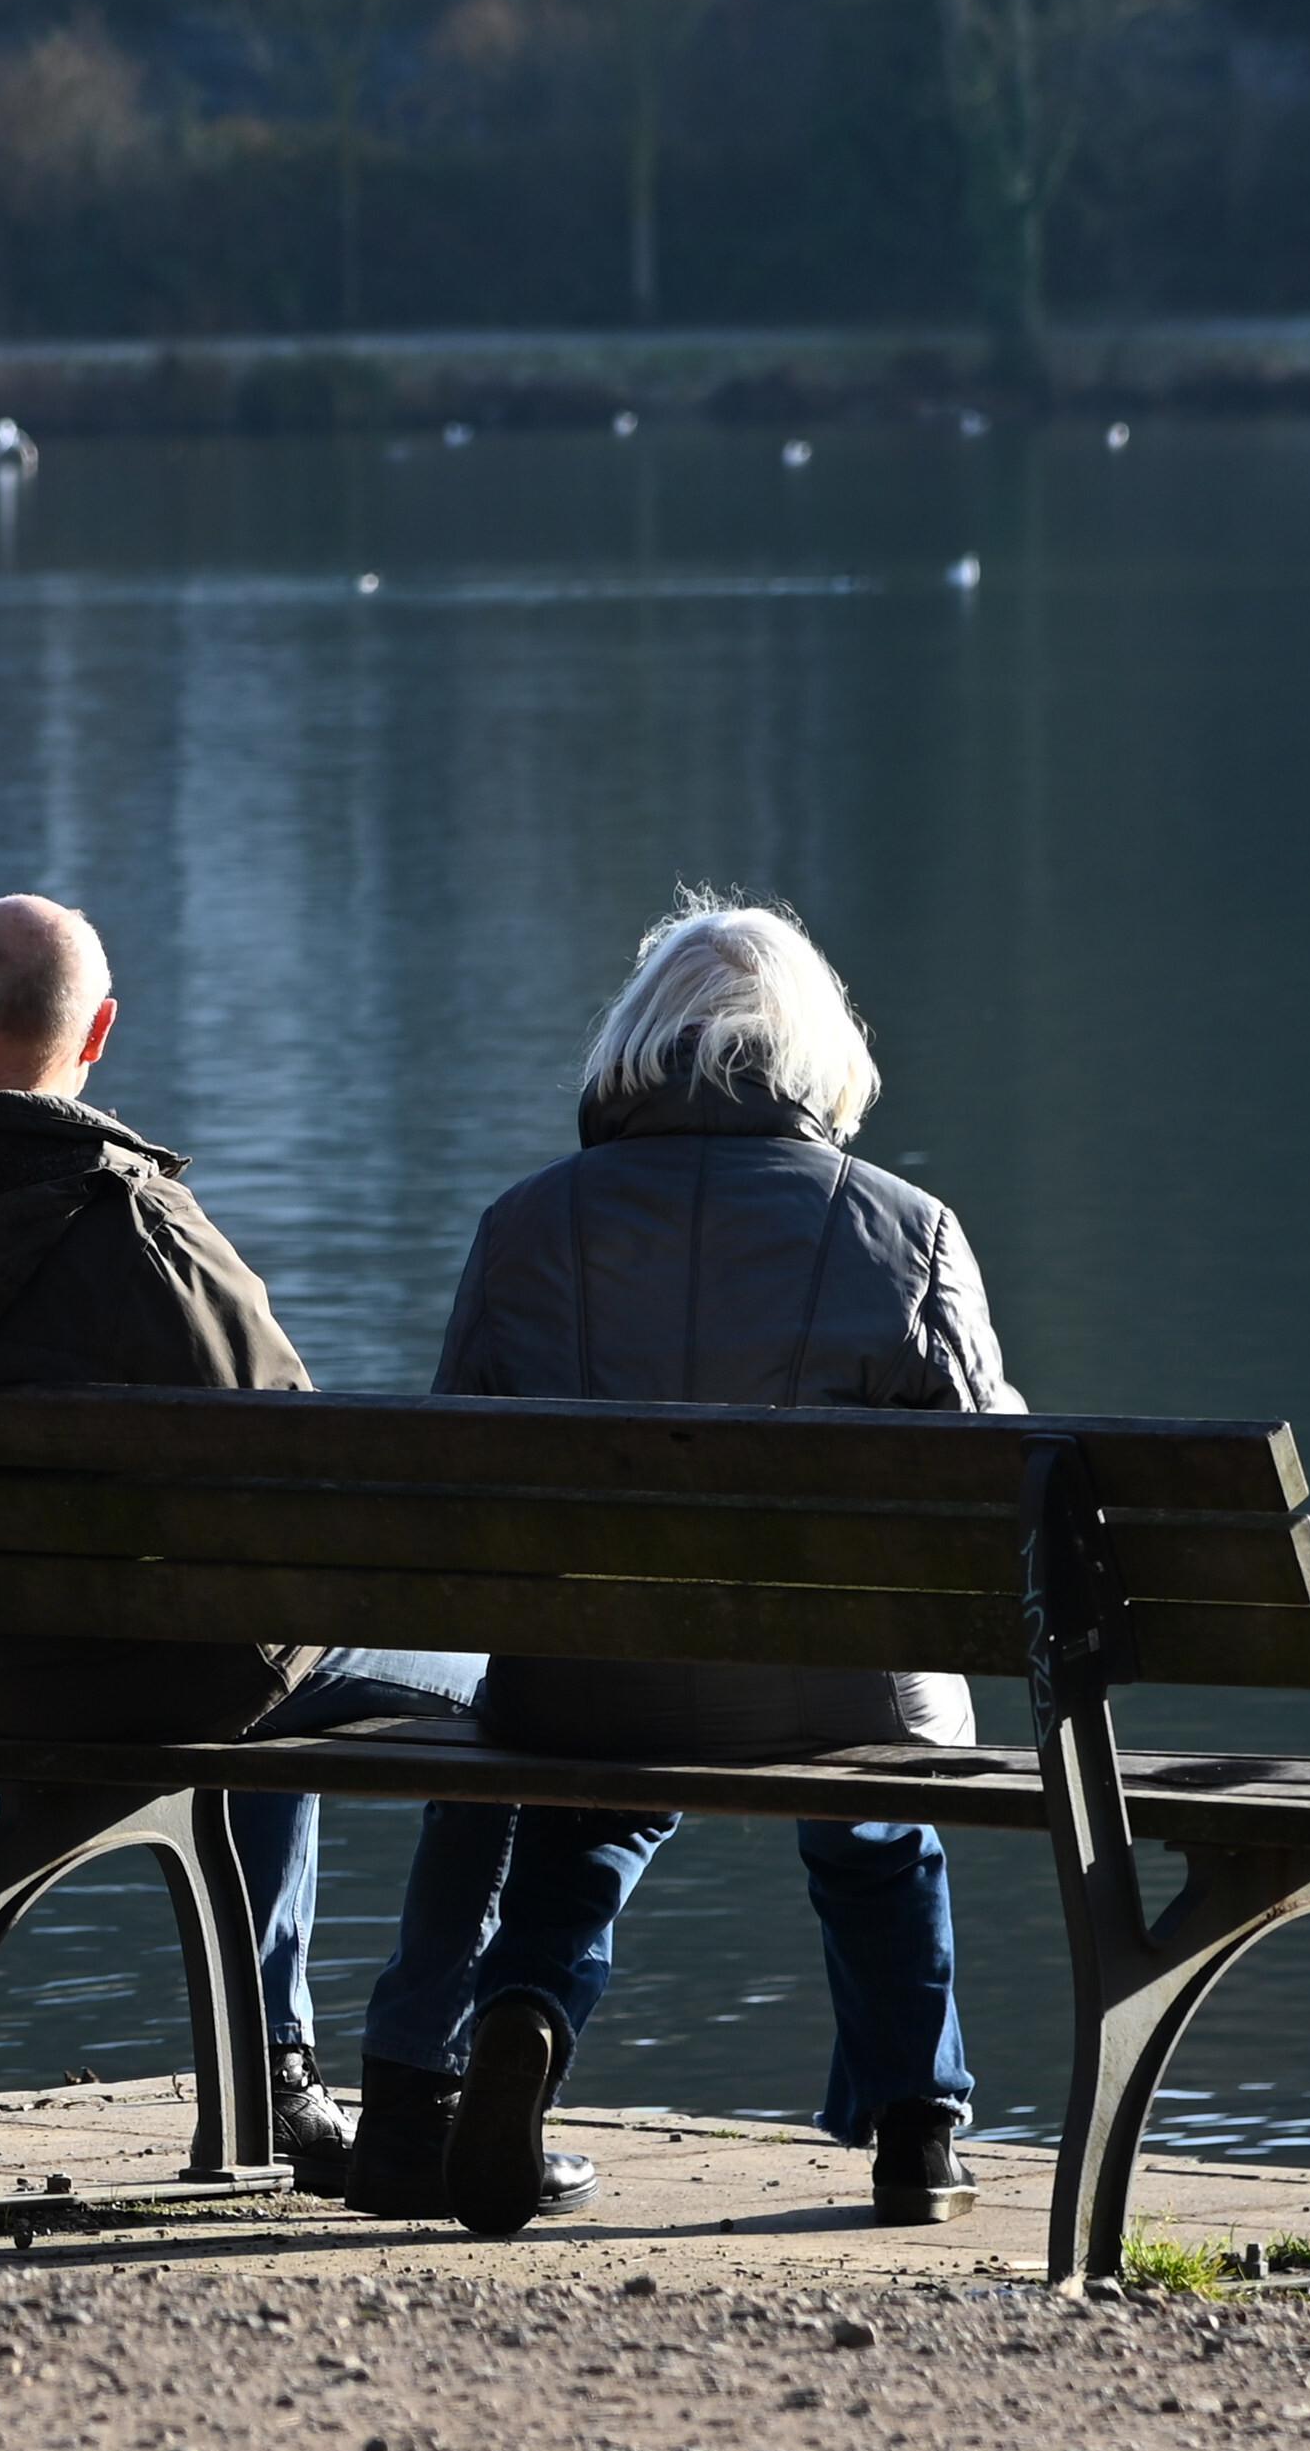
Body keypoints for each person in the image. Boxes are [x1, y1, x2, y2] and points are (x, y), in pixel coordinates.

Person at [0, 894, 471, 2187]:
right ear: (96, 1032)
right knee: (499, 1672)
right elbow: (301, 1462)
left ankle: (278, 2068)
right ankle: (412, 2082)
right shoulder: (130, 1224)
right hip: (168, 1674)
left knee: (264, 1644)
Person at [344, 897, 1015, 2239]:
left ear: (635, 1045)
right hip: (838, 1689)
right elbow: (1003, 1482)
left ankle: (523, 2010)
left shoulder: (523, 1227)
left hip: (588, 1687)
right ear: (814, 1052)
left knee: (585, 1804)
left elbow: (448, 1485)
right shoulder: (905, 1228)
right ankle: (916, 2128)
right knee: (878, 1811)